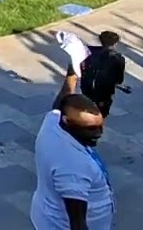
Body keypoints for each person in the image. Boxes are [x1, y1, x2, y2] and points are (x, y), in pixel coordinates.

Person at [31, 61, 115, 230]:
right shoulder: (74, 167)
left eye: (100, 126)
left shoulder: (52, 125)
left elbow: (60, 105)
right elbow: (77, 223)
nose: (98, 133)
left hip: (45, 214)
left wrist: (72, 76)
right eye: (90, 129)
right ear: (68, 122)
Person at [80, 31, 129, 118]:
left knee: (88, 103)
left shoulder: (88, 51)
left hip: (87, 85)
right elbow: (119, 79)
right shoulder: (118, 59)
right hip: (104, 91)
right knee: (101, 111)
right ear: (115, 43)